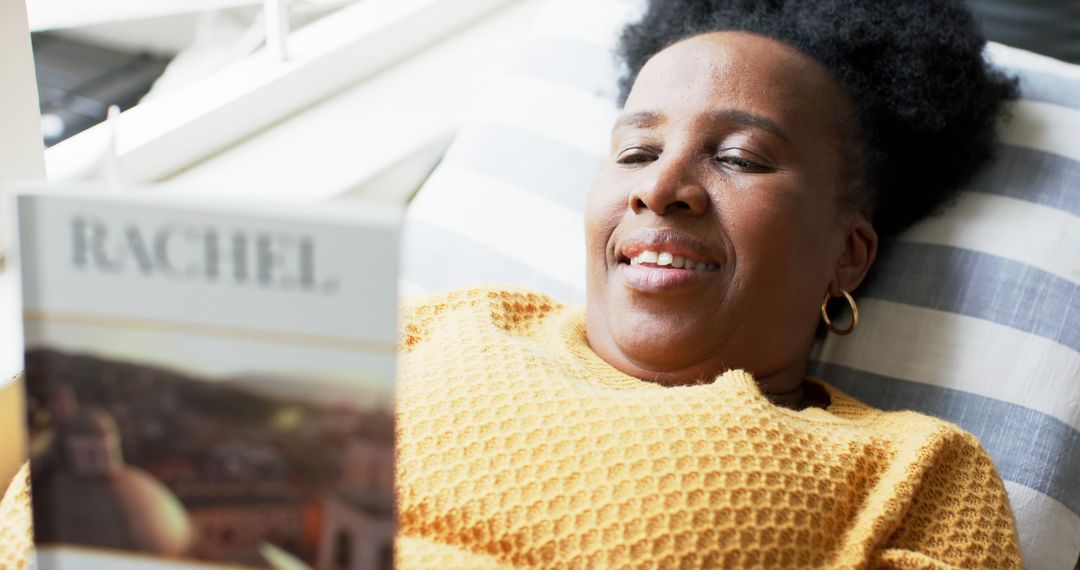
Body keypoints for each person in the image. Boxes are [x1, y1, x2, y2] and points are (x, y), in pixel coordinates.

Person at [394, 0, 1022, 567]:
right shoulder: (446, 323)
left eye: (739, 158)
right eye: (637, 153)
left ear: (848, 256)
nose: (659, 189)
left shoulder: (913, 471)